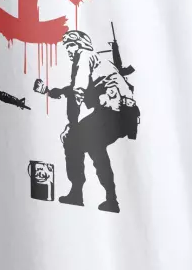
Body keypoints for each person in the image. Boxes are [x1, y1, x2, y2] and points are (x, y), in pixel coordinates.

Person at [43, 30, 139, 212]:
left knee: (72, 140)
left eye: (71, 45)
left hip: (115, 112)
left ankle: (77, 193)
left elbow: (78, 91)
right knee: (95, 147)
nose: (69, 50)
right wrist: (49, 91)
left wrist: (71, 126)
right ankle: (110, 199)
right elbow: (72, 89)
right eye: (67, 46)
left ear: (81, 45)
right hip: (124, 114)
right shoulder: (98, 61)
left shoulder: (85, 56)